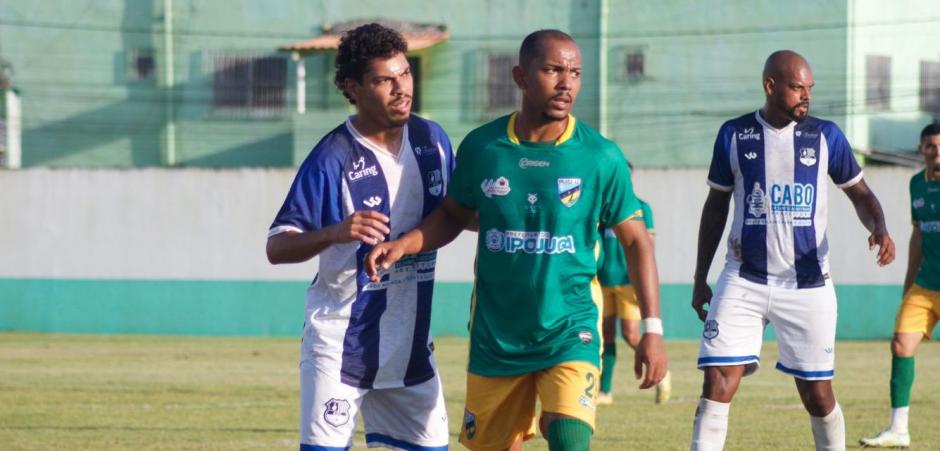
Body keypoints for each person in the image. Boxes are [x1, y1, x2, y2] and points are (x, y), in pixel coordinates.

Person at [366, 29, 667, 451]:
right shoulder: (483, 147)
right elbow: (454, 214)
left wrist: (652, 328)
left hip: (570, 327)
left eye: (575, 73)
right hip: (497, 334)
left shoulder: (601, 157)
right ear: (521, 77)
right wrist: (407, 243)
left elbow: (637, 242)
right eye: (552, 70)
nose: (567, 83)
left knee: (569, 436)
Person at [689, 50, 896, 451]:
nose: (806, 96)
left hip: (807, 284)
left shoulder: (826, 136)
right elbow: (715, 207)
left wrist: (880, 228)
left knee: (817, 394)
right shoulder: (734, 134)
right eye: (797, 87)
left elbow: (861, 195)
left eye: (809, 89)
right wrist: (700, 278)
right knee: (717, 380)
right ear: (771, 86)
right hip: (743, 277)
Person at [265, 23, 452, 451]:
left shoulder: (433, 141)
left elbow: (456, 216)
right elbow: (277, 246)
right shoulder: (333, 157)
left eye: (404, 73)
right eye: (384, 80)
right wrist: (336, 231)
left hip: (410, 351)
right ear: (353, 87)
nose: (401, 87)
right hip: (340, 348)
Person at [859, 123, 940, 448]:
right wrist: (908, 285)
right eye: (931, 147)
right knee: (901, 345)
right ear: (921, 151)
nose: (937, 152)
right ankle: (899, 429)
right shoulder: (915, 185)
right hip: (924, 283)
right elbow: (918, 236)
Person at [596, 195, 672, 405]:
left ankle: (661, 372)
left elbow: (646, 247)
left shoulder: (640, 207)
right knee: (606, 334)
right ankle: (605, 391)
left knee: (630, 334)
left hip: (628, 282)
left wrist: (641, 277)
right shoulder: (603, 205)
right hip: (604, 279)